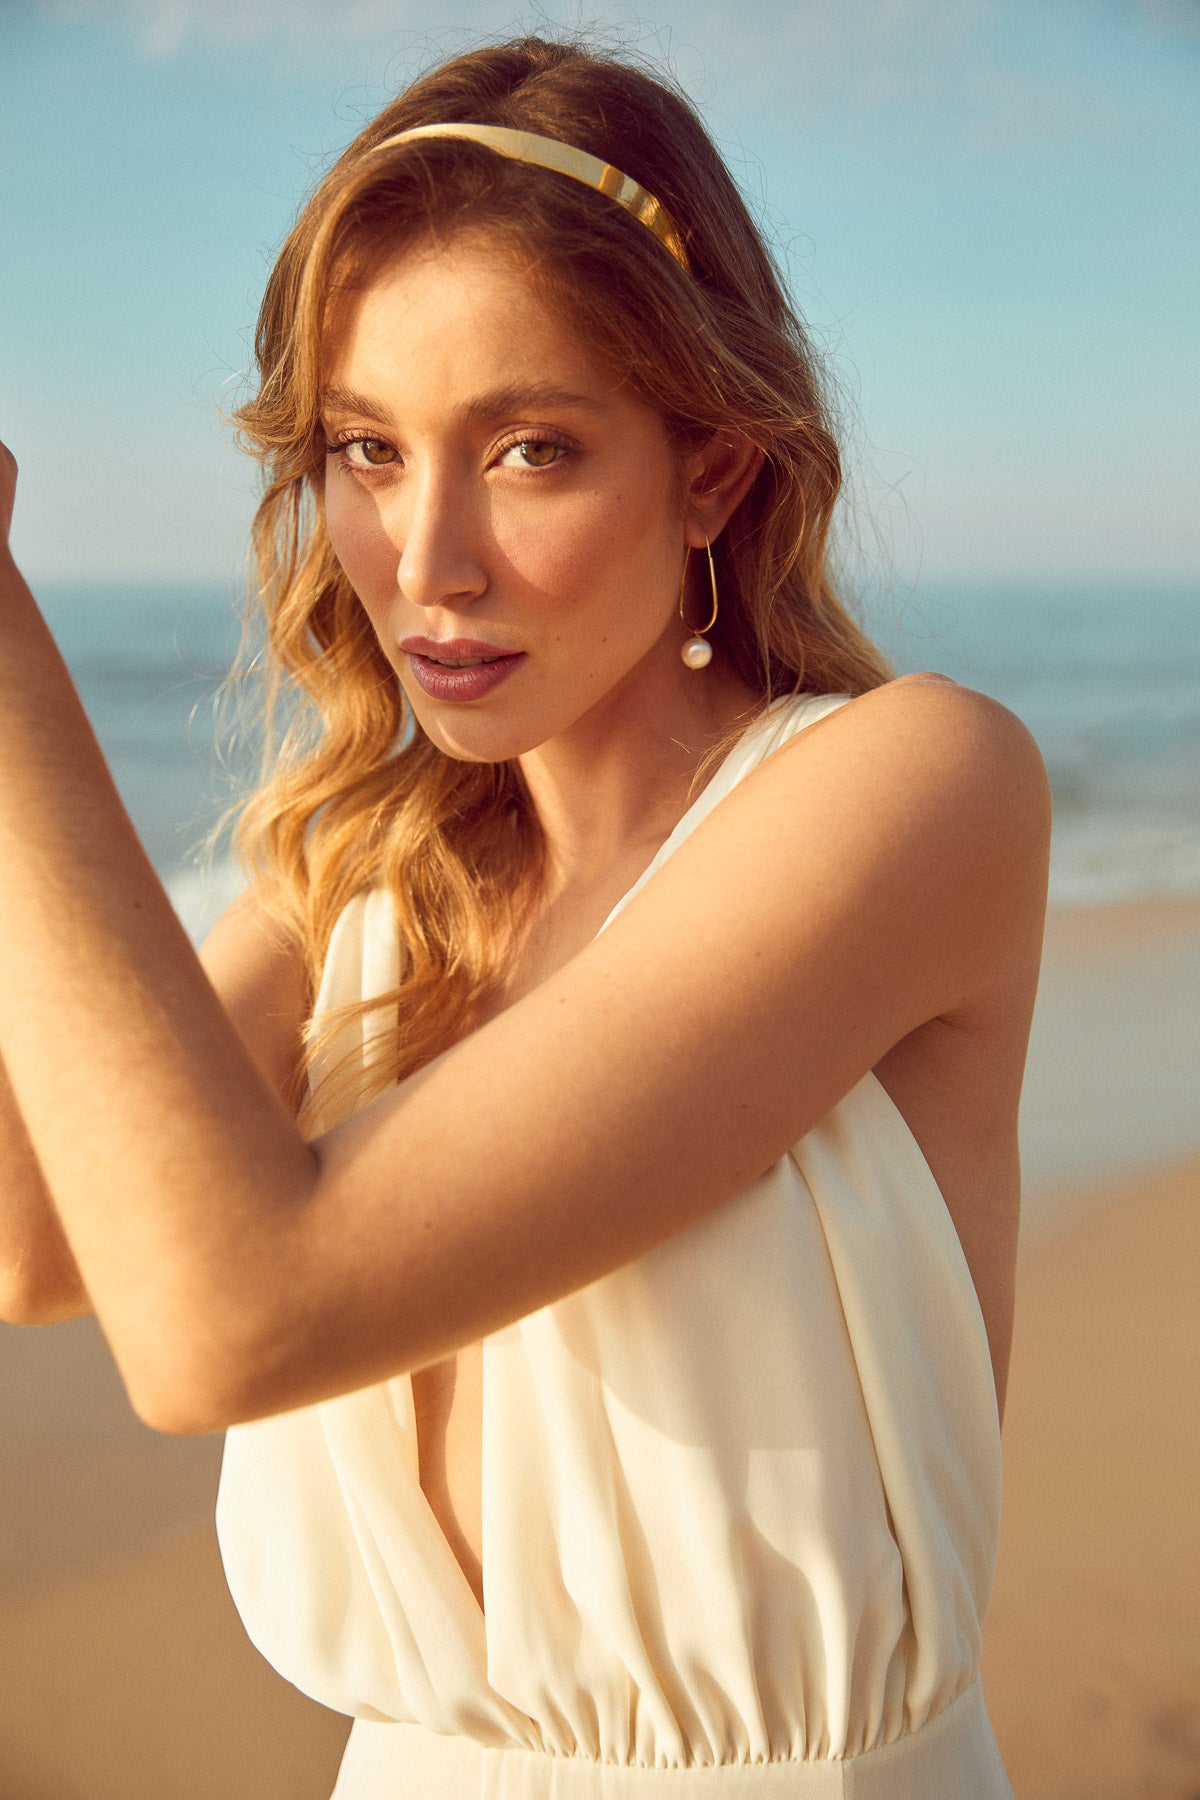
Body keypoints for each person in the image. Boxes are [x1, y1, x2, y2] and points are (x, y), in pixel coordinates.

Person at [0, 35, 1049, 1799]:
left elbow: (222, 1319)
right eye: (366, 451)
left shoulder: (918, 789)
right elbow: (31, 1236)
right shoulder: (368, 868)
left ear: (712, 470)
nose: (426, 561)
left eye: (532, 448)